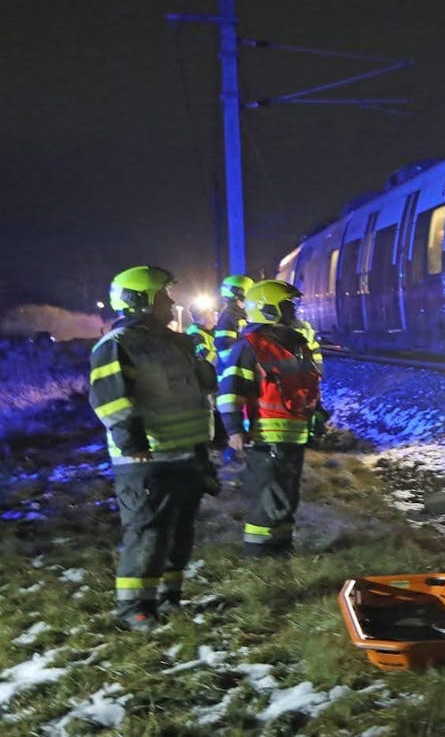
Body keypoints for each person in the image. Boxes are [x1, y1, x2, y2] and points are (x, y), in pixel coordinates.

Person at [88, 266, 221, 631]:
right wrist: (131, 440)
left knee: (180, 531)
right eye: (162, 296)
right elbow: (110, 398)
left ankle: (169, 598)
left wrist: (214, 436)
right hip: (148, 460)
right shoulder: (118, 344)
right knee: (147, 532)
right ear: (139, 300)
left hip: (187, 454)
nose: (169, 302)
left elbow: (199, 392)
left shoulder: (173, 341)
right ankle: (135, 609)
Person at [215, 279, 324, 558]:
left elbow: (309, 384)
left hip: (294, 435)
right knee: (267, 499)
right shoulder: (249, 345)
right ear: (268, 309)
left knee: (287, 497)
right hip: (265, 436)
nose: (293, 311)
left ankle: (282, 550)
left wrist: (317, 417)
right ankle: (259, 558)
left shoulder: (298, 343)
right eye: (287, 305)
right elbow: (231, 389)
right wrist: (234, 429)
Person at [212, 274, 254, 358]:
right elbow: (225, 349)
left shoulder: (240, 314)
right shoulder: (229, 316)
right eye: (250, 291)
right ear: (239, 292)